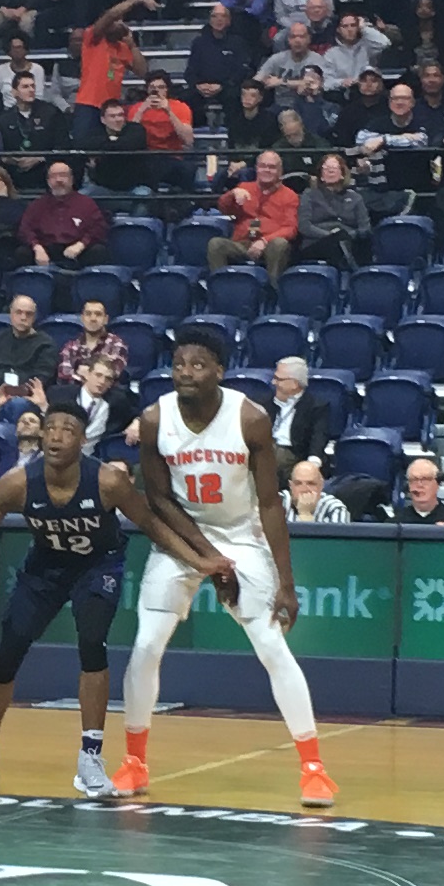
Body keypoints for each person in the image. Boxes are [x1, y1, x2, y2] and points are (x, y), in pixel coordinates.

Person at [112, 327, 333, 807]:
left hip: (240, 535)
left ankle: (314, 769)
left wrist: (286, 583)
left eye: (197, 364)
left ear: (219, 370)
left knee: (271, 646)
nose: (185, 373)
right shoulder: (154, 419)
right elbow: (159, 501)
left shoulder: (250, 418)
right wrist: (205, 560)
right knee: (147, 644)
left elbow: (272, 505)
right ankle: (134, 761)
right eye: (178, 364)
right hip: (180, 539)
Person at [0, 398, 139, 798]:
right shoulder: (18, 482)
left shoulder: (106, 481)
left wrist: (202, 558)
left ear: (83, 439)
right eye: (51, 426)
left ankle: (91, 759)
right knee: (6, 655)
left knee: (92, 643)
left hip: (97, 566)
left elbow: (153, 522)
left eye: (68, 428)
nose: (56, 434)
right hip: (44, 568)